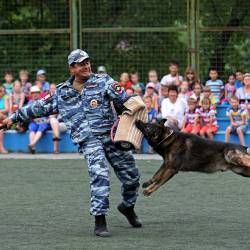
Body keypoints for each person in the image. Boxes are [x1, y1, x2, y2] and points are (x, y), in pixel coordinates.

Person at [2, 49, 141, 237]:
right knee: (99, 174)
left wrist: (137, 109)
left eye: (87, 62)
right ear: (72, 68)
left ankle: (127, 206)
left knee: (132, 176)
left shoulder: (103, 81)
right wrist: (13, 118)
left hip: (112, 136)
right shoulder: (62, 92)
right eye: (81, 64)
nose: (86, 66)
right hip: (88, 141)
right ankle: (100, 220)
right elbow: (37, 107)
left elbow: (125, 100)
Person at [27, 86, 50, 154]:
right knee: (32, 128)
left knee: (41, 127)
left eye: (36, 92)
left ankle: (32, 144)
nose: (35, 94)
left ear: (39, 93)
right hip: (34, 121)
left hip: (44, 121)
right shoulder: (30, 103)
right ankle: (32, 148)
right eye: (33, 93)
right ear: (31, 94)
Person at [0, 86, 9, 153]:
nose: (2, 92)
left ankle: (1, 147)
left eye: (3, 91)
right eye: (1, 91)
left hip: (4, 120)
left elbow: (7, 109)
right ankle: (1, 147)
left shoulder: (5, 99)